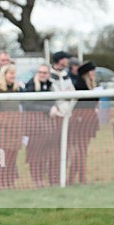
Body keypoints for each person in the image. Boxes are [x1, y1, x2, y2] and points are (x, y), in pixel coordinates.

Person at [0, 64, 22, 189]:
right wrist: (8, 123)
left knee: (12, 157)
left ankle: (10, 182)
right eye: (11, 73)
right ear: (4, 75)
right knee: (2, 158)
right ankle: (0, 182)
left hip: (15, 130)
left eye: (14, 73)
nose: (13, 76)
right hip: (2, 130)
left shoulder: (17, 89)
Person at [67, 61, 99, 185]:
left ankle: (78, 177)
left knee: (83, 151)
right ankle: (76, 178)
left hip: (88, 120)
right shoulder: (79, 85)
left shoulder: (92, 85)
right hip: (80, 121)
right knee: (80, 151)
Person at [47, 51, 76, 185]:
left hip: (67, 115)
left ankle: (62, 177)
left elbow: (72, 92)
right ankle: (53, 177)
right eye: (65, 59)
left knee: (66, 148)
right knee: (54, 149)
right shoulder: (50, 75)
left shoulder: (66, 75)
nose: (67, 61)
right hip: (56, 117)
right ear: (59, 60)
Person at [22, 65, 54, 187]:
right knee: (34, 154)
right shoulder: (31, 85)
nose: (42, 74)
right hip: (34, 126)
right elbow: (28, 104)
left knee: (44, 154)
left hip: (46, 126)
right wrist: (47, 109)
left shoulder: (50, 85)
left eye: (45, 72)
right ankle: (36, 179)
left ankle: (41, 178)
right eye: (40, 72)